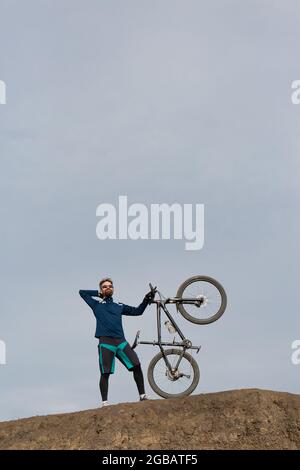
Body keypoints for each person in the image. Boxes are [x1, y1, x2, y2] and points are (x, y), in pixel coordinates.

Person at [79, 277, 155, 407]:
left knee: (136, 365)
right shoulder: (96, 305)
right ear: (101, 290)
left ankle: (142, 396)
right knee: (105, 373)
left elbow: (138, 311)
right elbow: (82, 292)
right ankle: (105, 403)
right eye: (104, 286)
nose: (108, 287)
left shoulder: (119, 306)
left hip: (121, 341)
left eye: (110, 286)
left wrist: (146, 299)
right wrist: (98, 294)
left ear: (113, 289)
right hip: (105, 342)